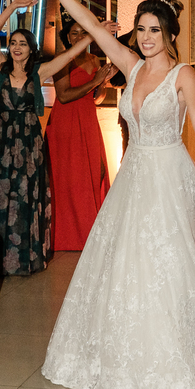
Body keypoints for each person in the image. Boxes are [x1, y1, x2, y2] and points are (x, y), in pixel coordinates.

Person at [36, 0, 195, 389]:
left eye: (155, 30)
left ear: (170, 34)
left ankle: (182, 357)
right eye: (141, 29)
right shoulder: (130, 65)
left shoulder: (183, 75)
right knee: (124, 262)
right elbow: (93, 25)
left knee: (175, 263)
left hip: (170, 176)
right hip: (134, 176)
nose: (146, 37)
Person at [0, 0, 95, 275]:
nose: (16, 47)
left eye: (23, 43)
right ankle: (0, 259)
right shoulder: (0, 67)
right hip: (4, 146)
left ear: (31, 48)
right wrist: (13, 7)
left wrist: (95, 33)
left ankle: (27, 258)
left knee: (26, 198)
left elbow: (69, 55)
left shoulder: (39, 72)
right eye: (13, 42)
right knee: (2, 198)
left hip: (29, 147)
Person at [46, 17, 115, 251]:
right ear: (67, 37)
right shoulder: (62, 60)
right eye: (74, 33)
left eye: (82, 32)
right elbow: (64, 96)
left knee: (95, 172)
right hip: (66, 123)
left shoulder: (94, 59)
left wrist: (102, 83)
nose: (78, 37)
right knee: (70, 178)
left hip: (87, 120)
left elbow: (97, 98)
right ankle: (69, 236)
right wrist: (95, 81)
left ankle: (89, 231)